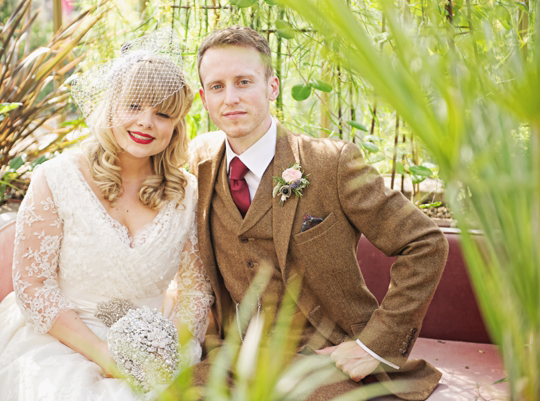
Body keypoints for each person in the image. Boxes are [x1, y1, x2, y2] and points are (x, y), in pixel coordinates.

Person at [0, 29, 213, 401]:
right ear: (112, 106)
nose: (147, 122)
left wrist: (172, 347)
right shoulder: (57, 178)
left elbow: (195, 289)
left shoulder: (187, 192)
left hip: (155, 346)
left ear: (176, 125)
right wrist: (105, 357)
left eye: (162, 113)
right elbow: (33, 285)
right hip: (61, 339)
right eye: (134, 106)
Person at [188, 26, 449, 400]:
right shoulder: (198, 163)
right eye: (217, 86)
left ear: (272, 86)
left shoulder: (331, 164)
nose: (230, 98)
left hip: (324, 360)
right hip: (234, 361)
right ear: (204, 98)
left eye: (244, 82)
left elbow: (425, 244)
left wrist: (372, 347)